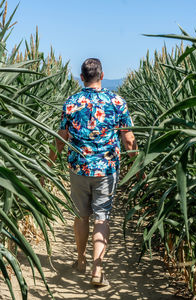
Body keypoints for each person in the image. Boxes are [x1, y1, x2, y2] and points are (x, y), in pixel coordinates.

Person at [47, 58, 138, 286]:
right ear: (102, 75)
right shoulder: (116, 101)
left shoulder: (71, 102)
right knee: (102, 217)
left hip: (78, 168)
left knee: (80, 215)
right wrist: (138, 169)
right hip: (106, 170)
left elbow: (61, 139)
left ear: (82, 78)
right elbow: (128, 140)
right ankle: (98, 269)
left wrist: (49, 164)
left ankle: (80, 261)